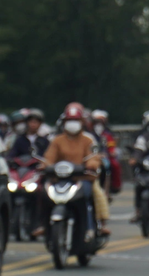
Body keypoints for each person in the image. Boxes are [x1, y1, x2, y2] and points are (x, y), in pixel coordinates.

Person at [39, 102, 110, 237]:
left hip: (82, 178)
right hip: (59, 179)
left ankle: (97, 226)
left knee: (95, 193)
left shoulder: (88, 139)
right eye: (70, 121)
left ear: (82, 122)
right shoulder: (57, 140)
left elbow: (93, 156)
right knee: (44, 192)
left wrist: (91, 164)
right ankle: (44, 225)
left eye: (76, 120)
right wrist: (45, 165)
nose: (73, 124)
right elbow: (49, 157)